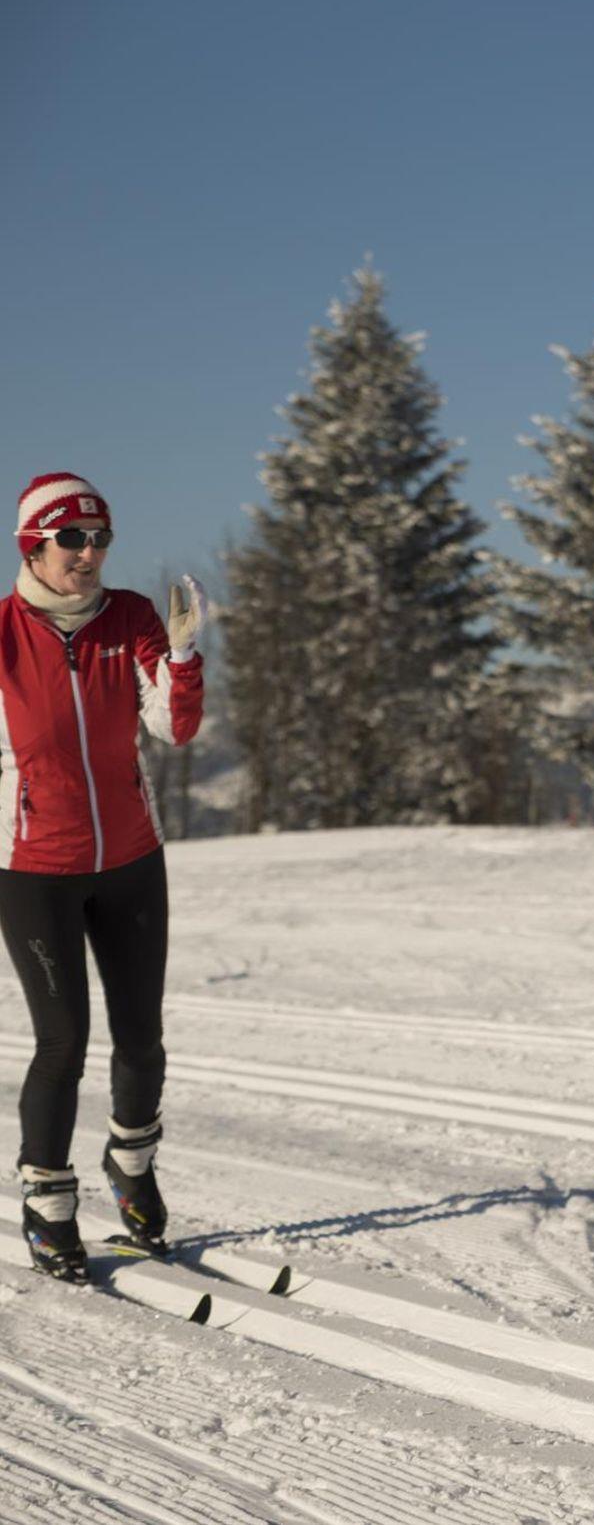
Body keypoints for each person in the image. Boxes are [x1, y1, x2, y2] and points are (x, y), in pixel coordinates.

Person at [3, 473, 206, 1280]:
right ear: (33, 546)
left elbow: (174, 728)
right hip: (34, 870)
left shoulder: (130, 618)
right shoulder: (3, 634)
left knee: (141, 1035)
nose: (88, 553)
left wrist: (181, 656)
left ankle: (132, 1163)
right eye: (70, 539)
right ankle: (48, 1203)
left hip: (131, 859)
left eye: (100, 538)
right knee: (63, 1042)